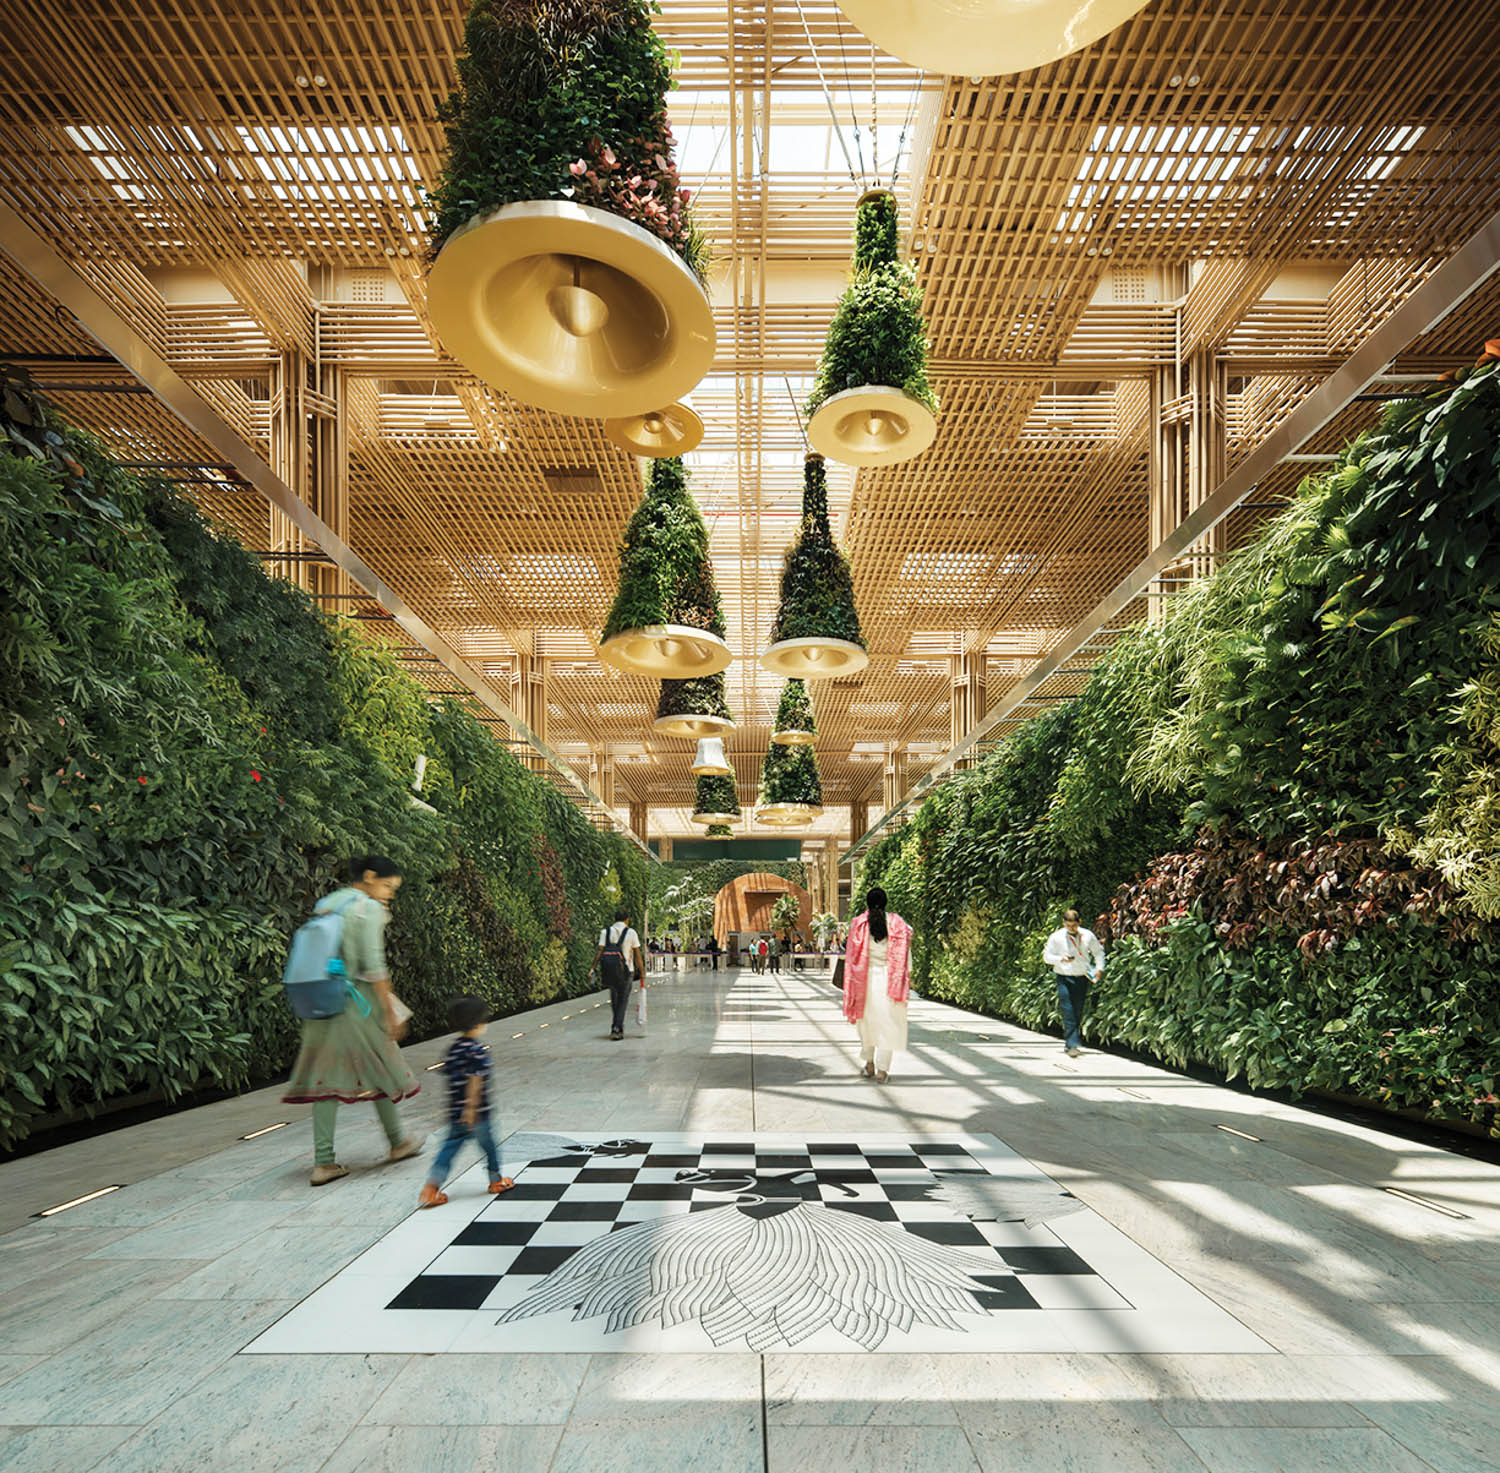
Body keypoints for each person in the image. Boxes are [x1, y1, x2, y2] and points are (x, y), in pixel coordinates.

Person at [283, 855, 422, 1186]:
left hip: (321, 1000)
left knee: (328, 1077)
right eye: (388, 886)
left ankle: (344, 1156)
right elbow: (373, 965)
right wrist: (389, 1011)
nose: (389, 893)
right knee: (382, 1066)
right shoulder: (367, 908)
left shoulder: (330, 902)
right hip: (355, 1004)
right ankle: (387, 1145)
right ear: (370, 876)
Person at [418, 995, 514, 1208]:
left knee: (449, 1149)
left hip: (455, 1113)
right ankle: (496, 1180)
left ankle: (431, 1187)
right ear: (479, 1024)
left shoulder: (452, 1049)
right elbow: (475, 1080)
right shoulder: (477, 1051)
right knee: (489, 1148)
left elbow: (449, 1073)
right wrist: (471, 1108)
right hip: (478, 1114)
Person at [843, 887, 912, 1083]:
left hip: (864, 981)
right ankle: (882, 1071)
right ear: (886, 902)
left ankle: (869, 1065)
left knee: (867, 1025)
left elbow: (850, 958)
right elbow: (906, 955)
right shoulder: (898, 924)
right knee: (888, 1026)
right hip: (891, 981)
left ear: (867, 903)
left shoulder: (858, 924)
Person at [1043, 908, 1105, 1057]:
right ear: (1063, 923)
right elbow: (1046, 957)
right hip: (1063, 976)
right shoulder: (1056, 937)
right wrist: (1060, 959)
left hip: (1082, 976)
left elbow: (1098, 952)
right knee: (1067, 1009)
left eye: (1074, 925)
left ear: (1079, 922)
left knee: (1077, 1010)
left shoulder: (1087, 935)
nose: (1071, 928)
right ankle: (1072, 1043)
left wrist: (1099, 968)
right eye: (1068, 925)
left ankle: (1070, 1041)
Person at [593, 908, 643, 1040]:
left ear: (613, 919)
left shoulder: (605, 932)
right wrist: (642, 972)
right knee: (623, 1000)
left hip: (609, 970)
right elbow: (637, 955)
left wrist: (593, 967)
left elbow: (599, 951)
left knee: (615, 1000)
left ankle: (617, 1026)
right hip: (626, 971)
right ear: (627, 920)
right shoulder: (631, 933)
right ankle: (616, 1027)